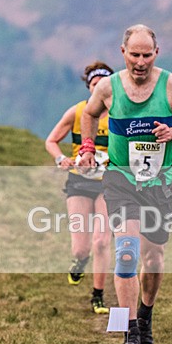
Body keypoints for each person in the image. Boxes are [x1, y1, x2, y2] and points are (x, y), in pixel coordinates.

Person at [79, 24, 172, 344]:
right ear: (123, 53)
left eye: (147, 55)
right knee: (128, 251)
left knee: (153, 256)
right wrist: (87, 147)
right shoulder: (109, 86)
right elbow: (89, 114)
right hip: (121, 180)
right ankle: (130, 331)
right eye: (134, 54)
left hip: (160, 184)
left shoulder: (171, 84)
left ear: (156, 54)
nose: (140, 61)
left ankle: (145, 315)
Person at [45, 61, 115, 314]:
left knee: (101, 241)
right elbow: (51, 141)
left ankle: (98, 296)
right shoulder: (77, 112)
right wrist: (60, 159)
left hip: (110, 184)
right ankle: (80, 261)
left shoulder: (120, 112)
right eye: (95, 85)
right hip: (79, 181)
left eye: (104, 85)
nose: (100, 89)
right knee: (82, 247)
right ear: (89, 87)